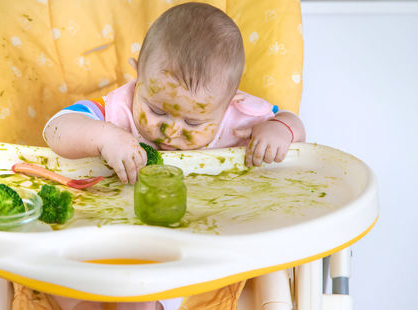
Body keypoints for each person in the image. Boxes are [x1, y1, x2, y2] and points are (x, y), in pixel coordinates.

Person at [43, 2, 305, 310]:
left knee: (138, 299)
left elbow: (295, 127)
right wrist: (104, 137)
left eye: (193, 123)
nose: (169, 131)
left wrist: (279, 130)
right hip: (109, 234)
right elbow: (55, 129)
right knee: (72, 284)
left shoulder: (243, 119)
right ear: (137, 75)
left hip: (194, 245)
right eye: (156, 110)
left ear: (230, 102)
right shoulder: (120, 111)